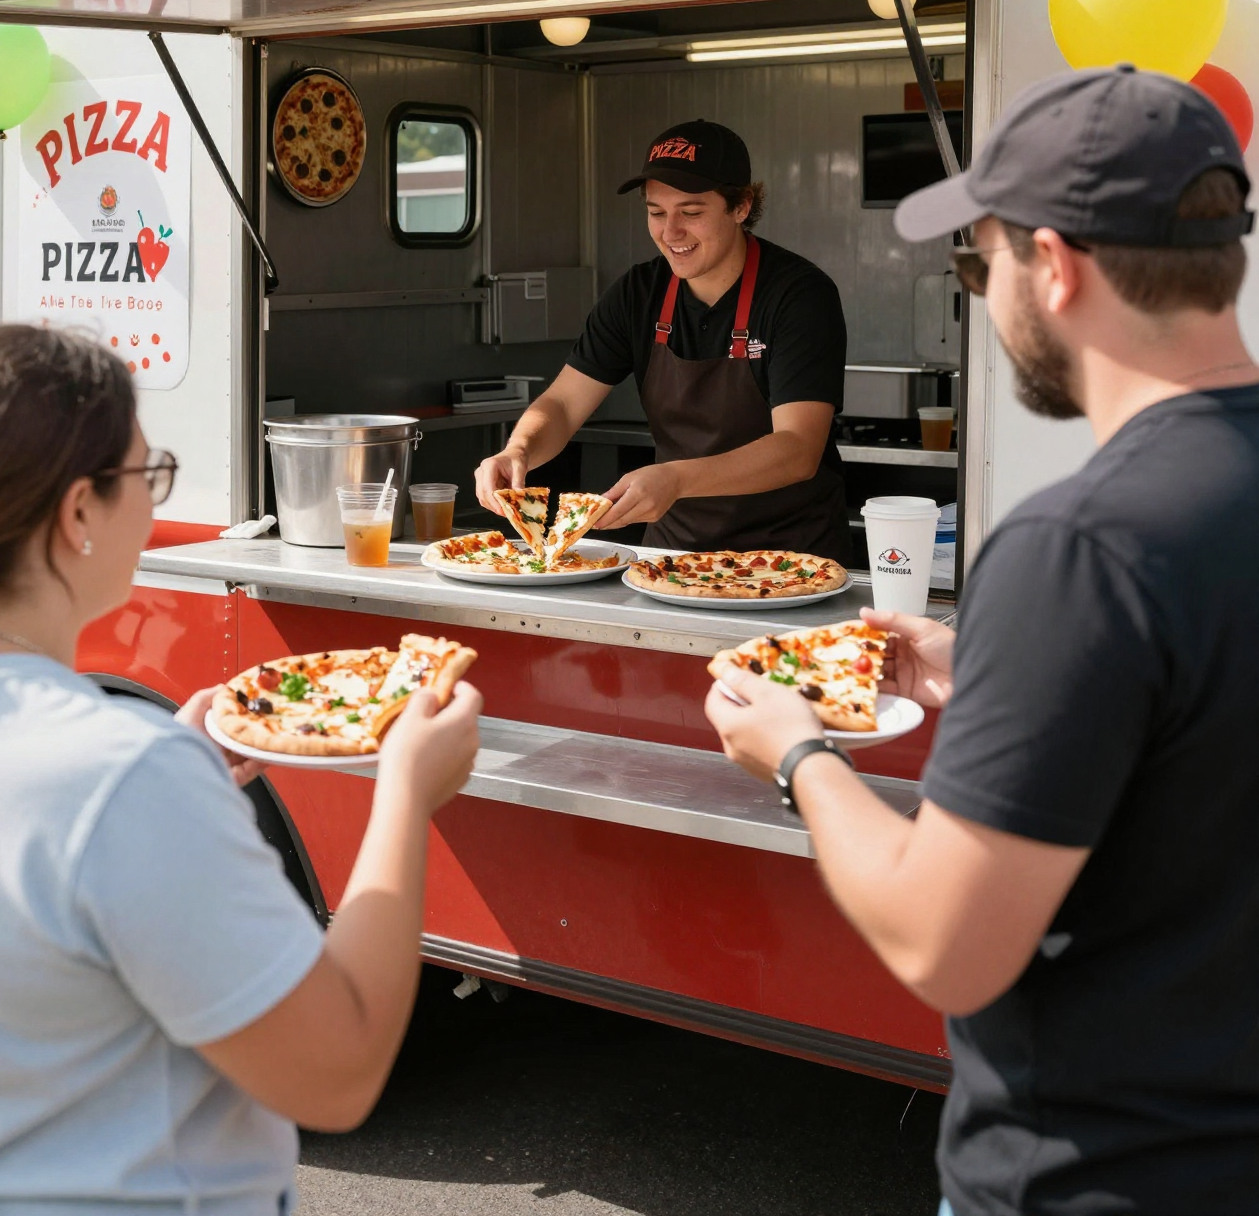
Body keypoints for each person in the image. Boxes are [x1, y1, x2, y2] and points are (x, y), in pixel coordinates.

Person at [704, 66, 1259, 1216]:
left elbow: (942, 946)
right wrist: (1003, 672)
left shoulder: (1080, 550)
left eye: (979, 261)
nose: (981, 293)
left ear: (1052, 268)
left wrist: (800, 755)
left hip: (1103, 1179)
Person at [0, 324, 481, 1216]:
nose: (152, 503)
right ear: (76, 516)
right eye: (147, 476)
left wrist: (170, 783)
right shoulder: (120, 779)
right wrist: (406, 792)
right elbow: (338, 1072)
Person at [475, 119, 849, 557]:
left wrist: (675, 479)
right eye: (656, 212)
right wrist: (518, 449)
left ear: (742, 206)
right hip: (673, 558)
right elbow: (562, 403)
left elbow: (797, 449)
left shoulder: (798, 295)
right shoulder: (638, 293)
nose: (670, 233)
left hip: (790, 561)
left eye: (691, 213)